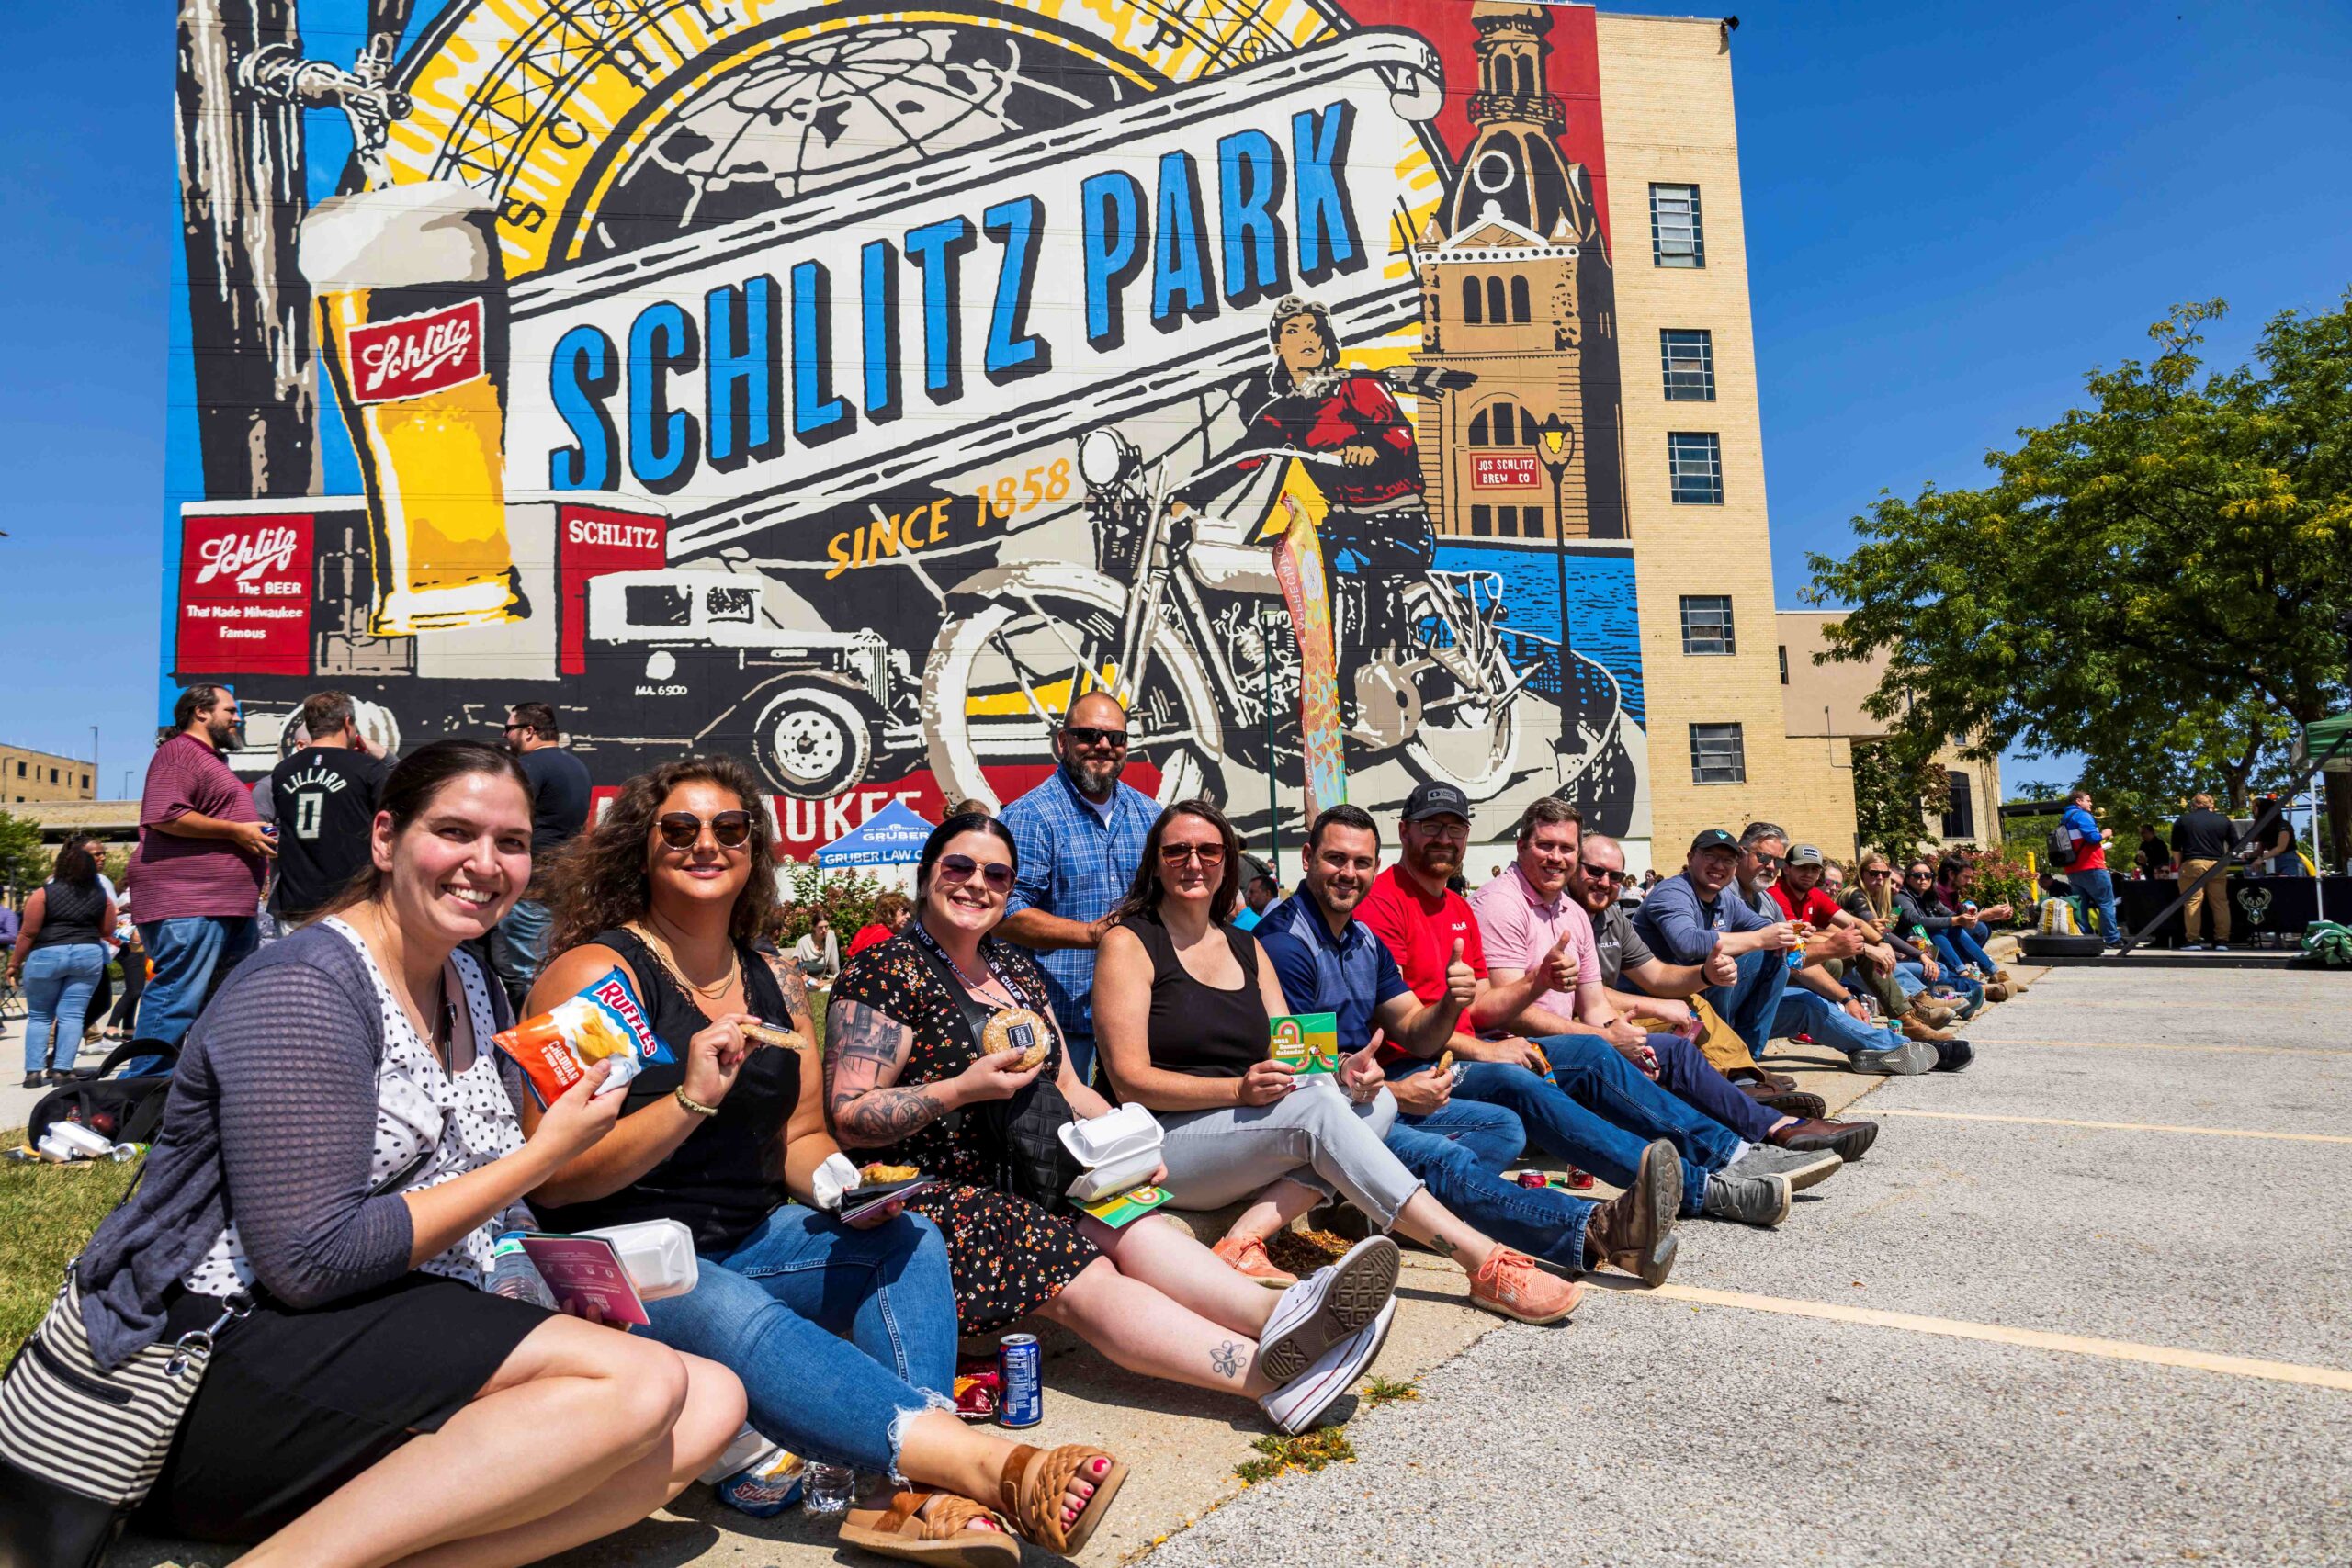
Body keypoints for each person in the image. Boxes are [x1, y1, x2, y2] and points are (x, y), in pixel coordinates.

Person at [64, 739, 744, 1562]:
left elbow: (485, 1196)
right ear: (385, 838)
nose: (483, 864)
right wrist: (537, 1156)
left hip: (395, 1325)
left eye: (511, 843)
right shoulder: (308, 984)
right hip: (226, 1362)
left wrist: (562, 1275)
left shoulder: (475, 981)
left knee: (710, 1400)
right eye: (455, 832)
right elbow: (307, 1262)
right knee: (640, 1384)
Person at [525, 760, 1125, 1562]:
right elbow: (552, 1172)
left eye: (729, 828)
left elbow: (803, 1137)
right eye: (680, 828)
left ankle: (895, 1497)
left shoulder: (772, 972)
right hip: (622, 1255)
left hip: (745, 1233)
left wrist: (850, 1189)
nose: (706, 843)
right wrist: (689, 1102)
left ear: (754, 849)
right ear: (642, 846)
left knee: (911, 1241)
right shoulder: (596, 974)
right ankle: (979, 1468)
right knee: (731, 1309)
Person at [825, 813, 1408, 1437]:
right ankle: (1264, 1376)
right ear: (925, 875)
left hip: (1038, 1168)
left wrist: (1135, 1146)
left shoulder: (1014, 972)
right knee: (1081, 1270)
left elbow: (1073, 1088)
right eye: (958, 867)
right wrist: (959, 1089)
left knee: (1137, 1219)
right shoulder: (888, 972)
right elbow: (851, 1117)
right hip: (938, 1193)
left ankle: (1283, 1314)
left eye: (996, 873)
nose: (977, 884)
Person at [1093, 798, 1589, 1315]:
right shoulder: (1130, 944)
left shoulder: (1245, 947)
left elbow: (1299, 1058)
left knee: (1375, 1105)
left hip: (1237, 1131)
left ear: (1228, 861)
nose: (1195, 863)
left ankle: (1243, 1240)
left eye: (1209, 851)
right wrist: (1237, 1090)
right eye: (1177, 851)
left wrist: (1344, 1073)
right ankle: (1481, 1261)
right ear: (1155, 860)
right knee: (1326, 1112)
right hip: (1163, 1146)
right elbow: (1129, 1082)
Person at [1209, 804, 1687, 1286]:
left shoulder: (1361, 938)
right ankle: (1599, 1233)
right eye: (1336, 859)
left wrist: (1449, 1005)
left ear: (1377, 864)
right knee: (1444, 1158)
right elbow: (1307, 1084)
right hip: (1322, 1115)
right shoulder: (1288, 945)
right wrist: (1397, 1094)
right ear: (1307, 858)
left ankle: (1372, 1208)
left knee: (1503, 1128)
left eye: (1362, 862)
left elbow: (1414, 1028)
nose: (1349, 874)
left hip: (1362, 1097)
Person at [1351, 788, 1815, 1226]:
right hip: (1417, 1064)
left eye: (1455, 830)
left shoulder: (1457, 906)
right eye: (1432, 827)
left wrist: (1547, 992)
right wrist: (1501, 1038)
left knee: (1618, 1052)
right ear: (1403, 830)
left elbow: (1485, 1008)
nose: (1445, 840)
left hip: (1466, 1051)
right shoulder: (1388, 904)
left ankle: (1733, 1151)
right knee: (1529, 1087)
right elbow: (1410, 1025)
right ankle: (1704, 1186)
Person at [1470, 804, 1876, 1161]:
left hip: (1584, 1031)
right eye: (1547, 846)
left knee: (1674, 1041)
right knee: (1627, 1049)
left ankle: (1765, 1117)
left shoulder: (1570, 911)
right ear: (1522, 845)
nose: (1604, 882)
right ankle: (1732, 1144)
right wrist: (1614, 1034)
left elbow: (1606, 999)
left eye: (1613, 875)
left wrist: (1701, 978)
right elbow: (1512, 1016)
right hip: (1519, 1052)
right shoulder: (1505, 904)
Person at [1167, 295, 1433, 660]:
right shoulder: (1286, 412)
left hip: (1397, 525)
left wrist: (1369, 451)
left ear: (1327, 342)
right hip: (1343, 525)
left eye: (1313, 330)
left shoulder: (1358, 388)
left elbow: (1399, 439)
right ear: (1278, 346)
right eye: (1293, 331)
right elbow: (1241, 458)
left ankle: (1352, 678)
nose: (1306, 338)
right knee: (1259, 558)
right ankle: (1258, 650)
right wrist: (1187, 496)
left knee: (1342, 587)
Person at [1636, 829, 1945, 1076]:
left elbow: (1791, 951)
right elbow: (1689, 943)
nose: (1770, 866)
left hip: (1728, 1000)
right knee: (1767, 953)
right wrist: (1822, 947)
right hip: (1676, 1003)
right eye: (1763, 857)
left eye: (1777, 861)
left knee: (1807, 1003)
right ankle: (1743, 1065)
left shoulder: (1745, 899)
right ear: (1691, 857)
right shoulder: (1681, 891)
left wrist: (1845, 994)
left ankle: (1892, 1047)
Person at [998, 694, 1159, 1085]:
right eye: (1088, 735)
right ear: (1062, 742)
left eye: (1115, 738)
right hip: (1060, 1017)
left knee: (1142, 1125)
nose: (1103, 746)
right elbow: (1002, 913)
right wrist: (1089, 934)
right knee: (1069, 1131)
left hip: (1140, 1013)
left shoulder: (1150, 813)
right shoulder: (1030, 815)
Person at [127, 684, 274, 1058]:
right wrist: (237, 830)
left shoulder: (210, 760)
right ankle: (143, 1095)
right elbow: (165, 815)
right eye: (230, 709)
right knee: (177, 1000)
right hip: (192, 903)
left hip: (226, 906)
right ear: (201, 712)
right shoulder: (179, 754)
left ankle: (198, 1097)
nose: (237, 717)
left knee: (224, 1009)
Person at [490, 700, 593, 1010]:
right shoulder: (576, 765)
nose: (505, 736)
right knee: (547, 965)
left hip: (532, 886)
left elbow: (502, 814)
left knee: (528, 975)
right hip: (562, 882)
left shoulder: (530, 767)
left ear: (529, 731)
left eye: (509, 729)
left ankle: (538, 1046)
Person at [264, 690, 391, 928]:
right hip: (351, 904)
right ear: (347, 722)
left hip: (296, 902)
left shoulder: (283, 770)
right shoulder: (368, 769)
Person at [8, 839, 117, 1085]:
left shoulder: (43, 893)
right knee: (73, 1016)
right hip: (87, 954)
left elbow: (27, 932)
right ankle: (61, 1071)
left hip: (46, 955)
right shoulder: (101, 896)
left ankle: (33, 1073)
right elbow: (107, 929)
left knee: (39, 1016)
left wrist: (14, 964)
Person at [2171, 793, 2235, 950]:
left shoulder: (2183, 820)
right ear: (2211, 804)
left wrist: (2179, 865)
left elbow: (2175, 847)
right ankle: (2221, 941)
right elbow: (2235, 844)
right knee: (2220, 903)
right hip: (2217, 864)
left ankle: (2193, 941)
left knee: (2193, 902)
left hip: (2193, 863)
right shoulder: (2223, 820)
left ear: (2193, 805)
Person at [2059, 788, 2120, 945]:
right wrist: (2105, 833)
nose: (2091, 803)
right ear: (2078, 801)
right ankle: (2112, 938)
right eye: (2088, 800)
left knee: (2081, 906)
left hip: (2073, 869)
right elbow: (2092, 838)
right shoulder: (2083, 815)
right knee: (2106, 902)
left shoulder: (2065, 819)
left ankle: (2084, 937)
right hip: (2092, 867)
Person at [2247, 795, 2303, 877]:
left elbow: (2281, 848)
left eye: (2255, 807)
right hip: (2275, 863)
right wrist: (2249, 855)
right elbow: (2259, 850)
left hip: (2290, 863)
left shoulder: (2283, 825)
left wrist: (2261, 859)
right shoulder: (2264, 830)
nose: (2253, 810)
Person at [848, 890, 912, 957]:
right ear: (889, 911)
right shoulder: (884, 938)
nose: (908, 915)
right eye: (904, 911)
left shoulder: (867, 930)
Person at [1229, 853, 1279, 931]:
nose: (1248, 895)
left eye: (1252, 892)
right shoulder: (1271, 912)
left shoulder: (1270, 917)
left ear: (1267, 893)